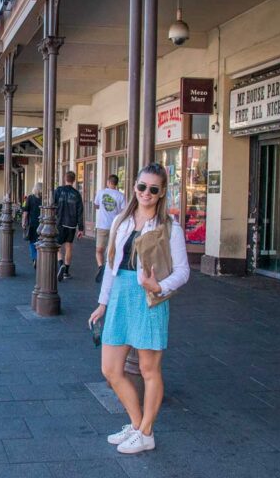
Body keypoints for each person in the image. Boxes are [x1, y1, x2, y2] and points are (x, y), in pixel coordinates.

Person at [88, 163, 189, 455]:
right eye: (142, 186)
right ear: (134, 187)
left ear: (162, 193)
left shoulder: (170, 227)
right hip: (120, 296)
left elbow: (183, 271)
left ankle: (146, 432)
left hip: (148, 300)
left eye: (153, 189)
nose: (146, 193)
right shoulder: (121, 220)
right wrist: (103, 303)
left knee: (149, 370)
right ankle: (136, 424)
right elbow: (111, 265)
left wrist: (159, 287)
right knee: (110, 369)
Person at [94, 174, 127, 282]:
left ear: (108, 182)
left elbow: (96, 205)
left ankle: (100, 266)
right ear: (117, 183)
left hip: (102, 225)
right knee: (112, 250)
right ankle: (109, 269)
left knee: (99, 250)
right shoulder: (121, 196)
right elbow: (124, 211)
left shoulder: (101, 192)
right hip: (115, 226)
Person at [54, 171, 84, 281]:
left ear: (64, 178)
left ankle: (60, 263)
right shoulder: (77, 194)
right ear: (74, 180)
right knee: (69, 247)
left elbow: (52, 205)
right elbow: (80, 212)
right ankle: (66, 271)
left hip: (60, 222)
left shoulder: (58, 191)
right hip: (71, 224)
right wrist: (81, 228)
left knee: (56, 245)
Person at [22, 183, 44, 267]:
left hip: (32, 223)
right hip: (43, 224)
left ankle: (35, 257)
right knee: (41, 241)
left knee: (32, 241)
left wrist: (24, 222)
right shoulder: (44, 199)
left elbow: (25, 212)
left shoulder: (30, 198)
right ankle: (39, 257)